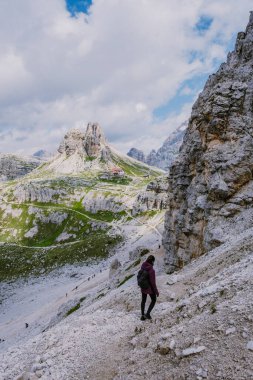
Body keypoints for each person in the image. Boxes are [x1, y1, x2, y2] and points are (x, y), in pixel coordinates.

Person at [140, 255, 159, 320]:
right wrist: (156, 291)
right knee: (153, 300)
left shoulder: (143, 266)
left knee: (143, 300)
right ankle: (147, 314)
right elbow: (153, 283)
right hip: (149, 287)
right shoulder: (151, 270)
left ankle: (142, 315)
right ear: (152, 261)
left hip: (143, 286)